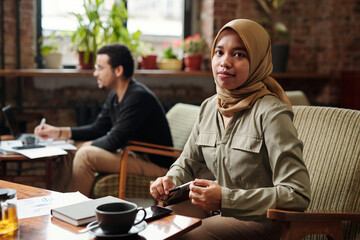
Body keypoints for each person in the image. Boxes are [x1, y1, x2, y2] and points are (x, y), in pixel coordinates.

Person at [150, 19, 311, 240]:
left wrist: (226, 199)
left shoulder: (272, 113)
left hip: (260, 220)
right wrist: (170, 180)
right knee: (154, 225)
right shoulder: (209, 106)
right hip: (214, 210)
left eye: (239, 55)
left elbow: (297, 194)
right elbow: (186, 163)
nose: (225, 62)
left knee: (187, 236)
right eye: (219, 52)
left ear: (257, 61)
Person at [35, 43, 173, 196]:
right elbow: (98, 128)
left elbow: (115, 140)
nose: (95, 73)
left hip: (154, 164)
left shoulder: (138, 97)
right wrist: (59, 132)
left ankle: (71, 209)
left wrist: (87, 145)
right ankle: (57, 201)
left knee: (85, 154)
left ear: (118, 70)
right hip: (132, 154)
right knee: (70, 147)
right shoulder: (115, 94)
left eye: (100, 68)